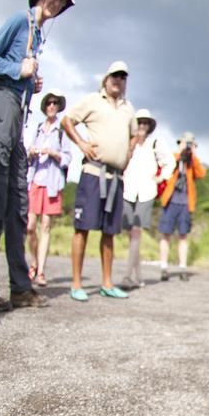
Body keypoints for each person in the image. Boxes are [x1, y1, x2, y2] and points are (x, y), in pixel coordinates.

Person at [0, 0, 74, 311]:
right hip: (3, 107)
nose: (56, 2)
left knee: (17, 205)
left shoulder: (38, 35)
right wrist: (17, 72)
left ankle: (20, 287)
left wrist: (32, 83)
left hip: (20, 117)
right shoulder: (18, 20)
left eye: (62, 0)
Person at [61, 60, 137, 301]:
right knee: (82, 228)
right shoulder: (93, 100)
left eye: (123, 76)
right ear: (106, 79)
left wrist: (127, 154)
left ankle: (107, 282)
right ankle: (76, 283)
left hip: (116, 177)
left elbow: (134, 136)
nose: (118, 80)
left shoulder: (128, 108)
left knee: (109, 231)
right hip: (93, 174)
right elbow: (67, 121)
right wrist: (82, 144)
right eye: (114, 75)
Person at [120, 108, 172, 288]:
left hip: (146, 191)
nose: (142, 126)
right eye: (139, 122)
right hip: (127, 190)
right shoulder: (129, 143)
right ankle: (138, 276)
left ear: (149, 126)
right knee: (132, 235)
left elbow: (169, 162)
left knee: (136, 231)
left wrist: (160, 178)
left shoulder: (155, 143)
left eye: (145, 123)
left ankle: (127, 276)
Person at [25, 90, 72, 286]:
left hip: (52, 183)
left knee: (45, 226)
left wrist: (53, 152)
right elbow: (27, 153)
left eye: (55, 103)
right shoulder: (37, 128)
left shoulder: (61, 132)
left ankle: (41, 270)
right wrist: (32, 152)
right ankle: (34, 262)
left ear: (59, 106)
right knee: (29, 227)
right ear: (45, 107)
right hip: (35, 180)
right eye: (49, 103)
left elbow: (68, 157)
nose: (52, 106)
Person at [157, 131, 206, 282]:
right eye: (185, 143)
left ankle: (182, 267)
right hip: (171, 201)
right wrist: (181, 152)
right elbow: (166, 165)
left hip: (185, 203)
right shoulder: (173, 157)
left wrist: (193, 155)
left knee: (183, 236)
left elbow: (201, 174)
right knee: (166, 234)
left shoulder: (192, 162)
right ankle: (164, 267)